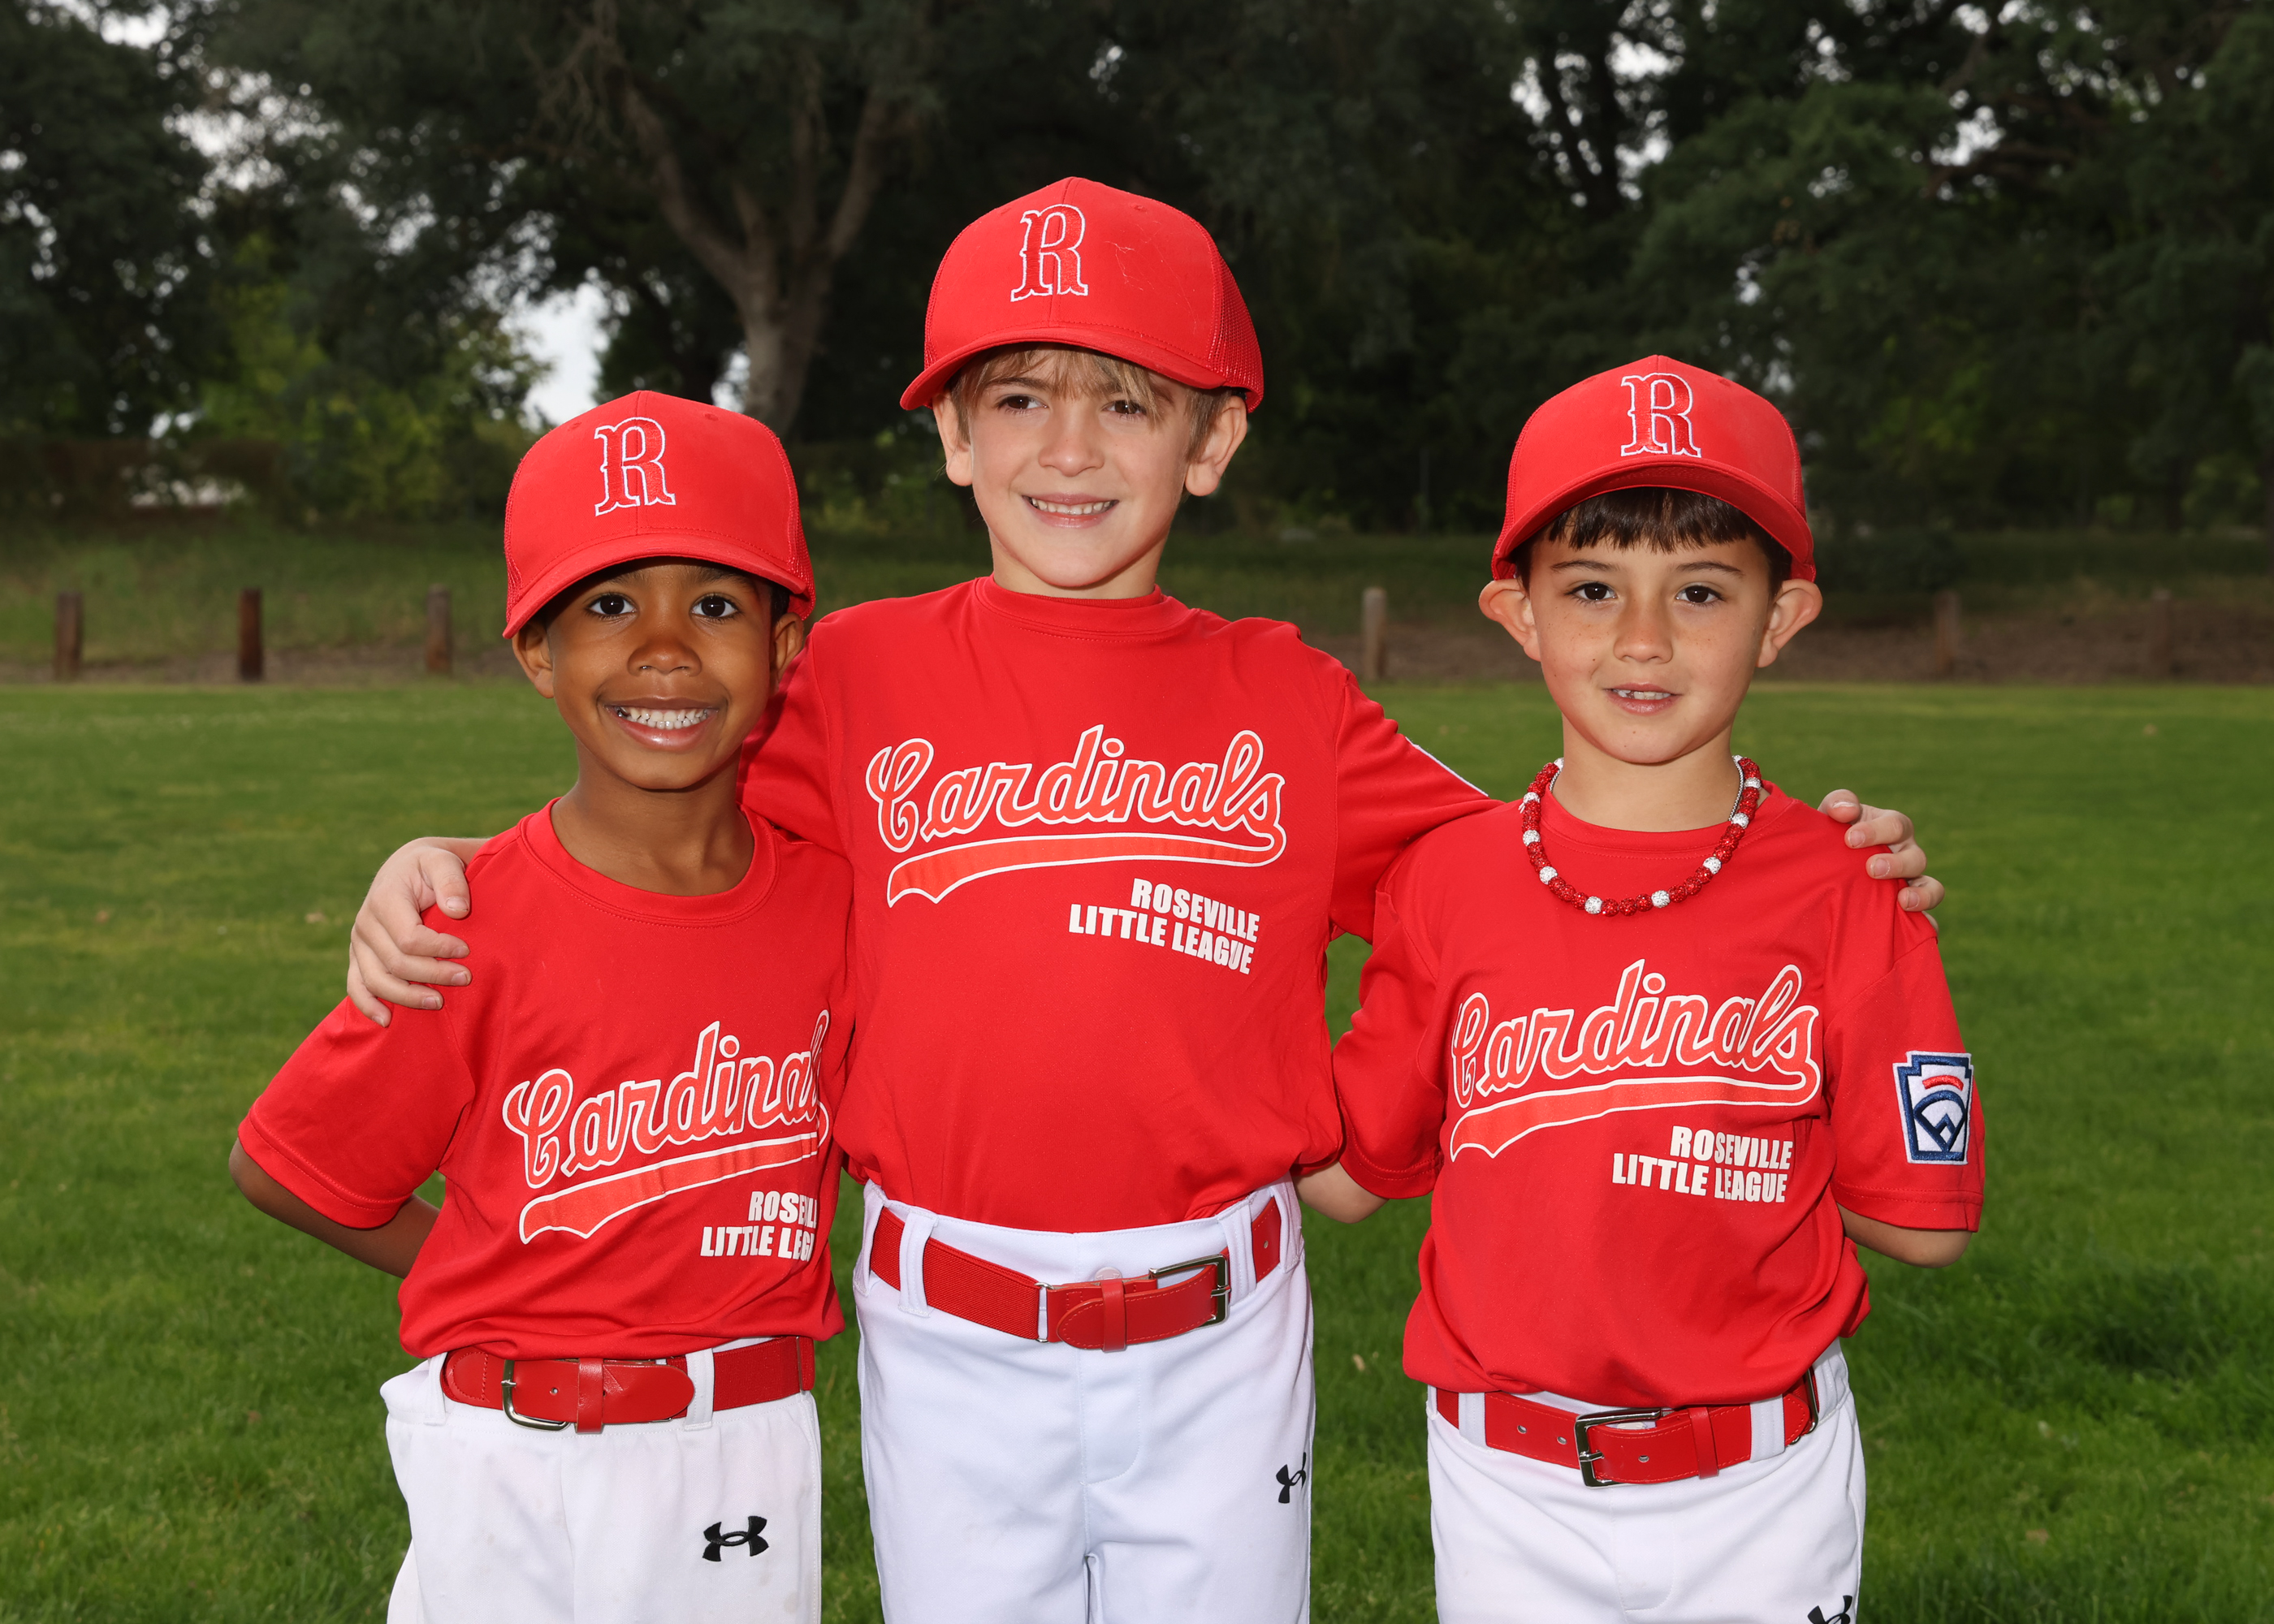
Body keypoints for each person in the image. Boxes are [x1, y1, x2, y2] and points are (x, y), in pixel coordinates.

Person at [339, 184, 1943, 1624]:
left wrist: (1805, 857)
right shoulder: (859, 679)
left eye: (1127, 400)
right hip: (944, 1321)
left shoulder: (1288, 700)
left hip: (1219, 1327)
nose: (1068, 447)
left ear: (1213, 440)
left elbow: (1551, 866)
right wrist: (445, 861)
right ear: (951, 433)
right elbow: (655, 814)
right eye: (1017, 397)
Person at [1304, 356, 1983, 1624]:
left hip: (1765, 1484)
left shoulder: (1847, 883)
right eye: (1592, 588)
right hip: (1505, 1481)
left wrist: (1708, 1143)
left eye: (1703, 591)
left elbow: (1924, 1219)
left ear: (1782, 617)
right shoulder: (1447, 879)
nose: (1644, 640)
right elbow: (1345, 1175)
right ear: (1518, 612)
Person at [229, 392, 850, 1624]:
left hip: (741, 1439)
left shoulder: (837, 906)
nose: (663, 649)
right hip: (505, 1450)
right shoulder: (468, 922)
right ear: (536, 651)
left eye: (715, 605)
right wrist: (496, 1273)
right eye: (608, 605)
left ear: (787, 643)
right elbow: (290, 1168)